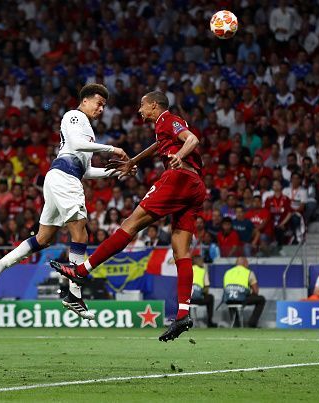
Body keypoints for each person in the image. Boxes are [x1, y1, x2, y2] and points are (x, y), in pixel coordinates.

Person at [51, 91, 206, 342]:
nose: (139, 110)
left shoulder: (167, 119)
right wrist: (132, 161)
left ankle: (81, 270)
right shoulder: (162, 128)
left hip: (179, 178)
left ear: (154, 106)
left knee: (130, 224)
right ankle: (183, 314)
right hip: (196, 186)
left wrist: (179, 156)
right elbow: (159, 145)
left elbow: (192, 139)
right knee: (180, 249)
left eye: (142, 106)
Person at [0, 84, 129, 320]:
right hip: (64, 178)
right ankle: (74, 294)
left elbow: (86, 170)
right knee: (80, 234)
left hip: (65, 176)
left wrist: (117, 172)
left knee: (44, 238)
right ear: (86, 100)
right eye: (99, 103)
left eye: (104, 106)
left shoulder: (87, 128)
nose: (101, 109)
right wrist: (112, 149)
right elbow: (78, 146)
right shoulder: (74, 116)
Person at [222, 257, 265, 328]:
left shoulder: (227, 272)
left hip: (228, 300)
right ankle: (252, 324)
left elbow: (225, 288)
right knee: (261, 299)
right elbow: (256, 291)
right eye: (247, 263)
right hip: (241, 299)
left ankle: (236, 324)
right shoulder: (249, 272)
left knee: (233, 299)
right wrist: (249, 291)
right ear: (245, 263)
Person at [190, 256, 217, 327]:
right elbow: (206, 289)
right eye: (201, 260)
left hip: (187, 300)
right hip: (198, 299)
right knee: (210, 297)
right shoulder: (203, 271)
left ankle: (184, 321)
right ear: (197, 261)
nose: (203, 262)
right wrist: (200, 291)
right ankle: (210, 322)